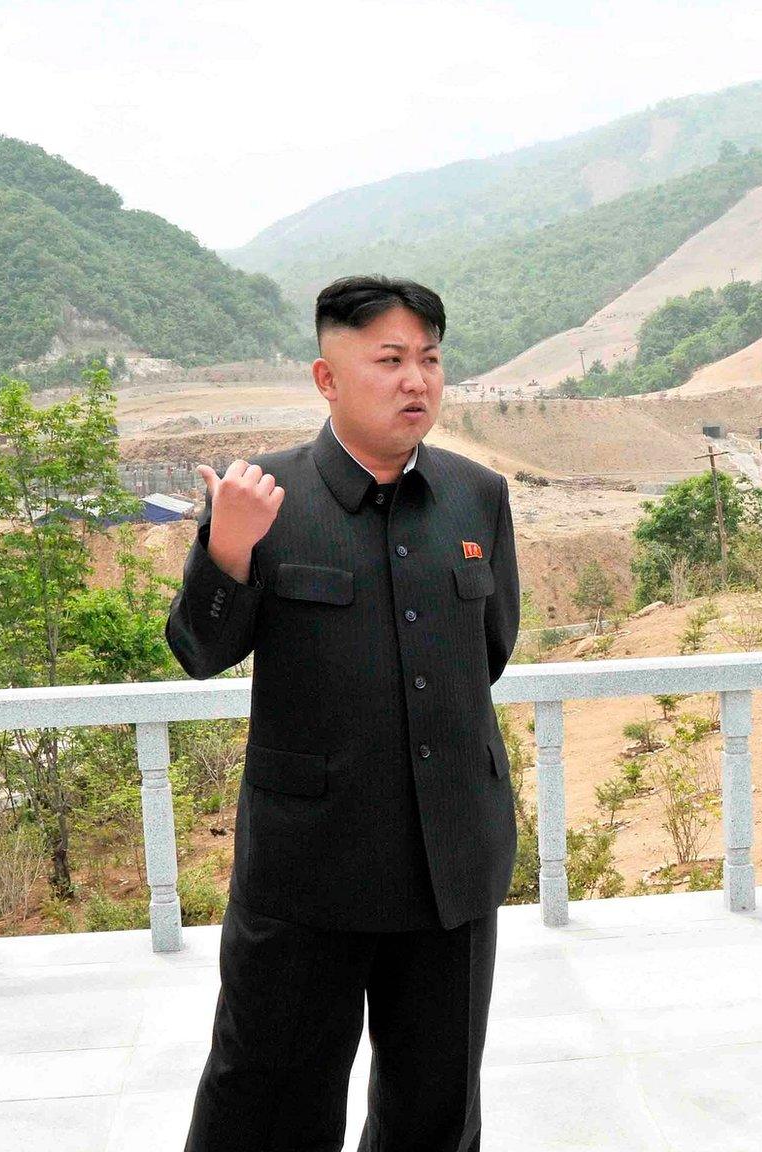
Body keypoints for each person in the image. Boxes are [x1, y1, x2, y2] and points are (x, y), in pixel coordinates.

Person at [166, 275, 519, 1151]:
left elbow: (492, 648)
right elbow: (199, 651)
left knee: (434, 1112)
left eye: (430, 360)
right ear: (327, 378)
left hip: (452, 868)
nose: (417, 381)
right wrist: (227, 548)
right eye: (390, 360)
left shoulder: (479, 496)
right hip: (308, 873)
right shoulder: (261, 497)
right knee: (266, 1103)